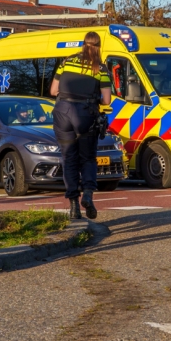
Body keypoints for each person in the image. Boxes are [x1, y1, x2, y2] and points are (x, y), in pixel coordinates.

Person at [50, 32, 111, 220]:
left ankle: (74, 205)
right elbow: (107, 100)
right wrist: (92, 98)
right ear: (98, 46)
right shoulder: (100, 68)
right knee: (88, 158)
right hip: (85, 114)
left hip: (62, 113)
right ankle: (89, 195)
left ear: (83, 44)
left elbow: (53, 91)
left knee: (69, 159)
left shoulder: (66, 62)